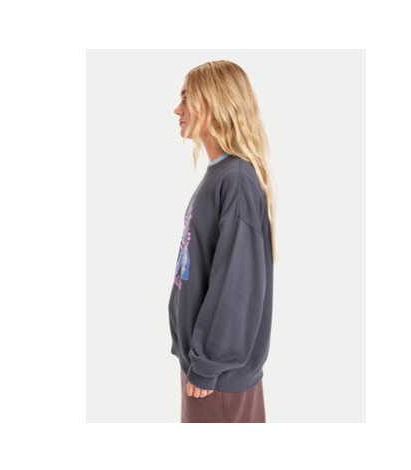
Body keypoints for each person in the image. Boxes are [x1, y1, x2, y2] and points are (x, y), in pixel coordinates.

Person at [168, 60, 277, 423]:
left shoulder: (237, 179)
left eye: (187, 98)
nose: (177, 109)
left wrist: (209, 363)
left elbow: (237, 282)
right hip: (203, 369)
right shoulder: (220, 175)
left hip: (217, 379)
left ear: (214, 104)